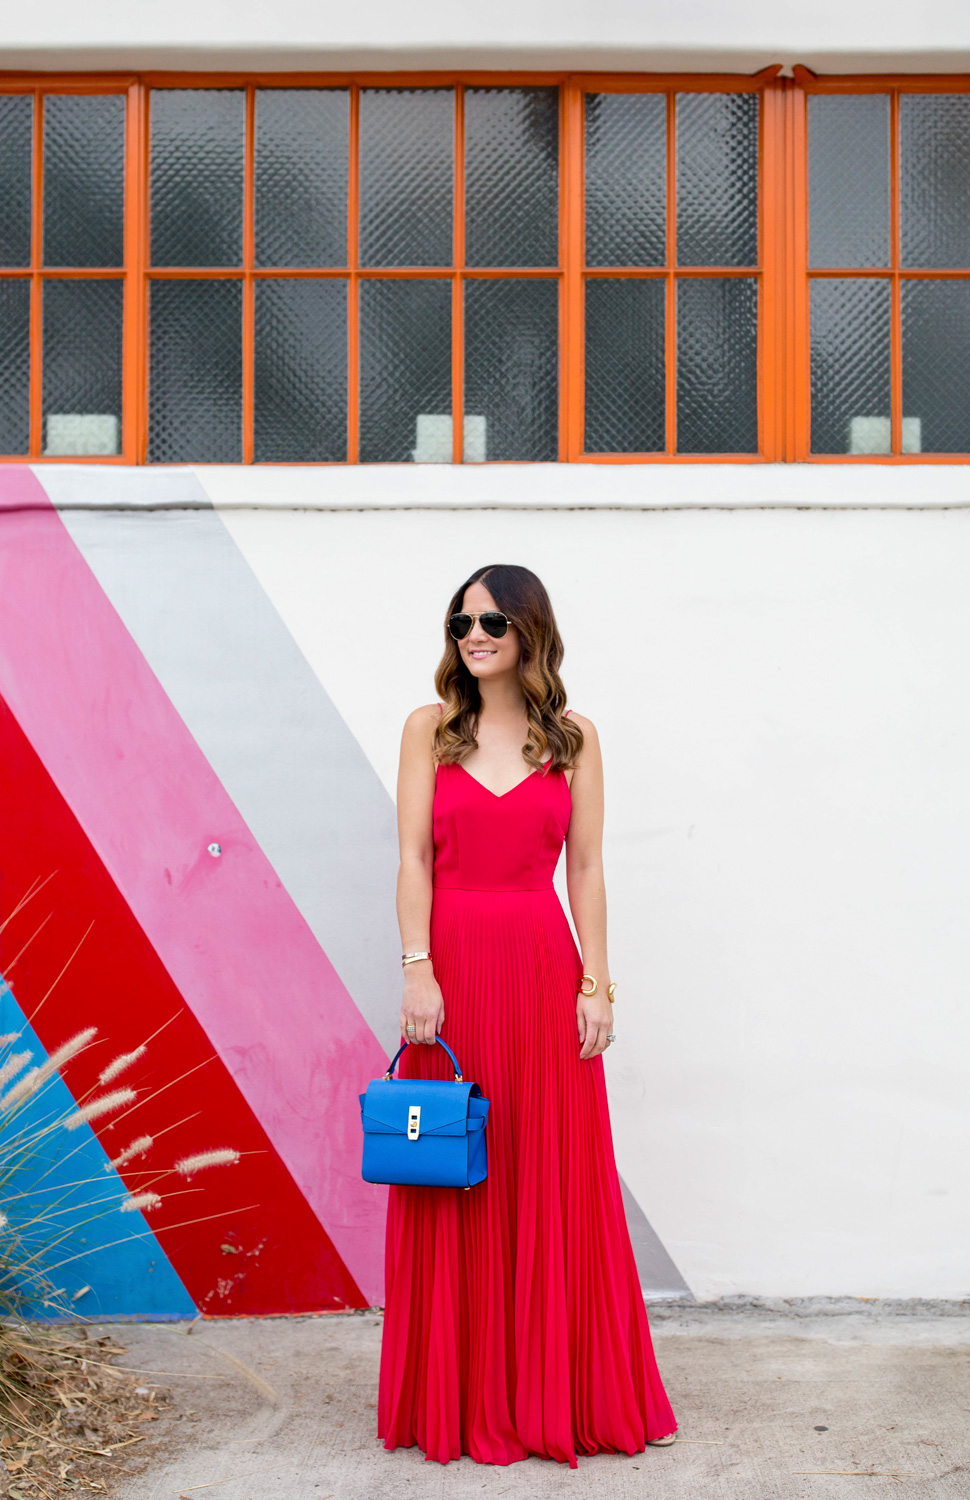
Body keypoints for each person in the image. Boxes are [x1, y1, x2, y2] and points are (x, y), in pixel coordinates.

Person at [379, 563, 677, 1466]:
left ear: (528, 634)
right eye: (461, 620)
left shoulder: (574, 740)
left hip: (544, 972)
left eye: (493, 622)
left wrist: (599, 984)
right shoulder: (428, 729)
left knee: (549, 1173)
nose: (474, 635)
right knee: (455, 1177)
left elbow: (585, 872)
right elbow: (413, 864)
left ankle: (557, 1391)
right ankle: (458, 1397)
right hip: (455, 976)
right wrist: (417, 971)